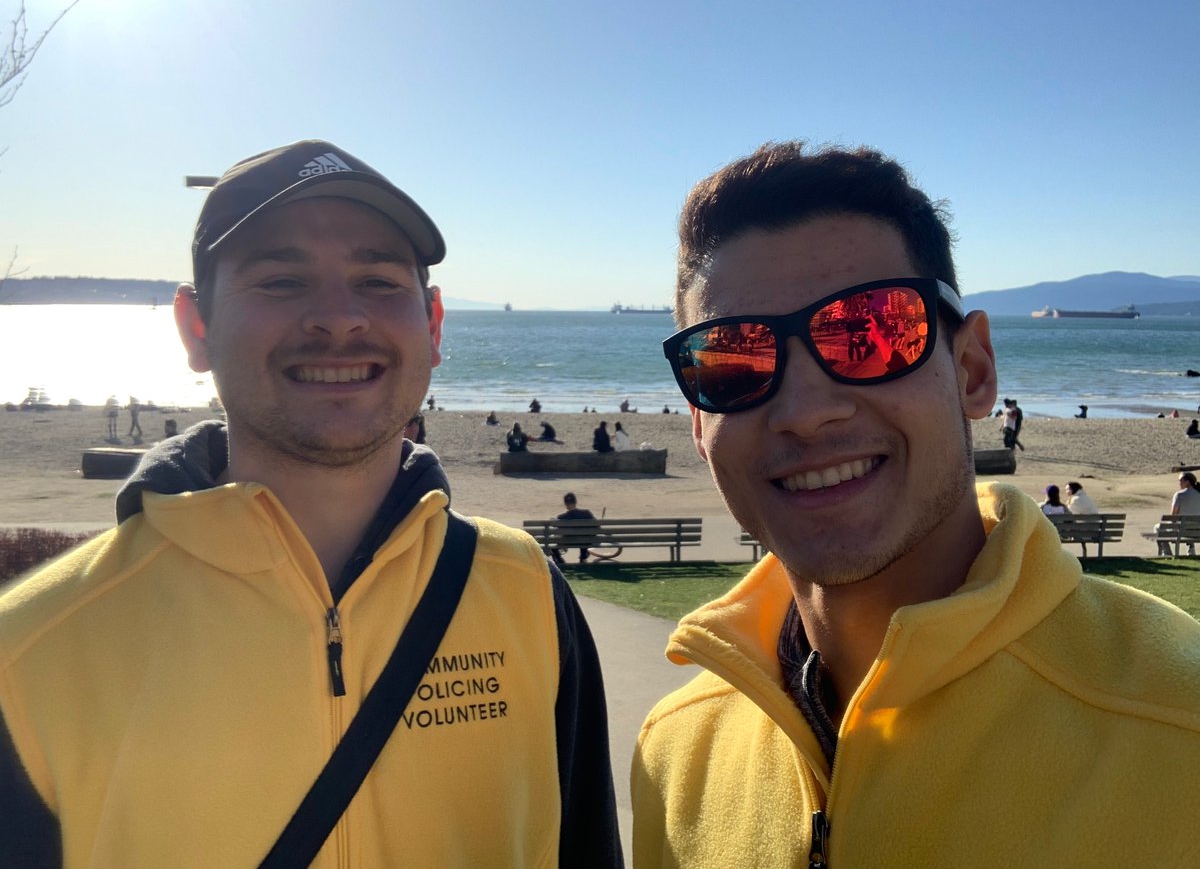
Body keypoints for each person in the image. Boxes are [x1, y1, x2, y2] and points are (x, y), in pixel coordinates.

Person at [0, 140, 621, 865]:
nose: (339, 318)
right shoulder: (34, 650)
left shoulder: (525, 593)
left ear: (435, 324)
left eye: (379, 279)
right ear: (195, 329)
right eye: (281, 281)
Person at [633, 140, 1200, 866]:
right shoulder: (677, 752)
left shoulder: (1175, 726)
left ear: (972, 371)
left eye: (870, 331)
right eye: (731, 359)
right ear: (699, 425)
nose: (805, 412)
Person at [549, 492, 598, 564]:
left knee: (553, 543)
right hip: (585, 541)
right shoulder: (587, 513)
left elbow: (555, 529)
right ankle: (583, 557)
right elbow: (597, 526)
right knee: (584, 536)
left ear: (566, 504)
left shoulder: (561, 517)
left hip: (567, 542)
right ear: (575, 502)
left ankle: (560, 560)